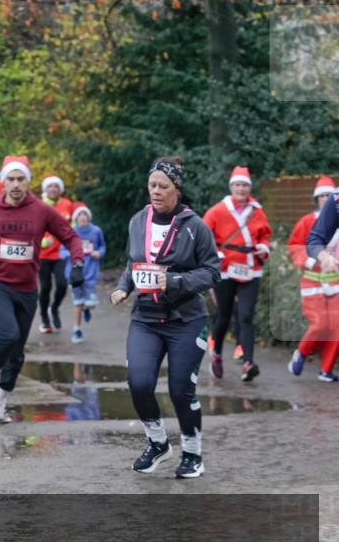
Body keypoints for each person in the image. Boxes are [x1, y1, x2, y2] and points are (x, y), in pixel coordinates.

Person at [111, 156, 220, 479]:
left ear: (177, 189)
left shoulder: (195, 226)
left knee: (179, 391)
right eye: (152, 185)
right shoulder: (138, 221)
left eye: (163, 186)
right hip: (146, 318)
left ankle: (192, 453)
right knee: (139, 383)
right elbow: (134, 263)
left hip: (185, 320)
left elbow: (212, 272)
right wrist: (123, 287)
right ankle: (158, 443)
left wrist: (174, 282)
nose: (156, 191)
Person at [0, 155, 85, 423]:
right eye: (11, 179)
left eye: (21, 179)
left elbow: (72, 237)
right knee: (8, 333)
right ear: (2, 182)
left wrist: (76, 263)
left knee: (17, 353)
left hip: (27, 289)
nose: (15, 184)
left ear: (28, 182)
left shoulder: (41, 210)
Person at [202, 166, 272, 382]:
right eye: (238, 185)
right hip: (225, 269)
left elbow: (265, 236)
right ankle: (216, 355)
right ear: (231, 187)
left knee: (246, 316)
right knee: (224, 315)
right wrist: (215, 254)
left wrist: (264, 247)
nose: (241, 189)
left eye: (245, 185)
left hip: (251, 268)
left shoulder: (257, 211)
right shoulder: (217, 211)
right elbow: (204, 237)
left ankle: (248, 363)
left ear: (249, 188)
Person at [299, 177, 339, 382]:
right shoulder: (337, 199)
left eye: (326, 194)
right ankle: (301, 355)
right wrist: (321, 257)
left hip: (334, 283)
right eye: (321, 195)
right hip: (314, 281)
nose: (325, 198)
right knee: (321, 324)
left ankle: (325, 369)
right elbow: (313, 240)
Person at [36, 174, 75, 333]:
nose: (53, 189)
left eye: (56, 186)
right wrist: (43, 242)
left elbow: (72, 227)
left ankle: (54, 308)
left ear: (60, 189)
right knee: (45, 287)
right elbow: (32, 229)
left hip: (61, 254)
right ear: (45, 189)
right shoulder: (39, 205)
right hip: (43, 255)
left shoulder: (67, 204)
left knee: (62, 284)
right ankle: (44, 317)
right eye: (50, 186)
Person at [66, 203, 106, 343]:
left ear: (89, 218)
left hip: (91, 271)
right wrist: (71, 253)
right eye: (80, 217)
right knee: (78, 303)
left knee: (91, 302)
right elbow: (62, 250)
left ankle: (87, 308)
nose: (83, 219)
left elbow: (102, 246)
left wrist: (98, 253)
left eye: (85, 216)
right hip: (74, 272)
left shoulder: (96, 231)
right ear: (76, 219)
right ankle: (76, 330)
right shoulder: (71, 231)